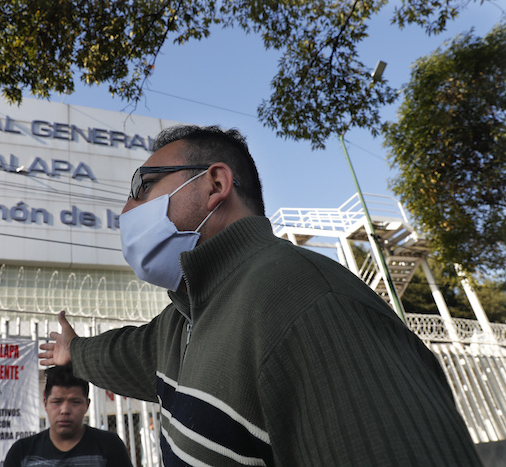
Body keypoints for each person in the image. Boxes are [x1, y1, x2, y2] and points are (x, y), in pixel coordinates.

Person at [39, 125, 482, 466]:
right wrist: (73, 351)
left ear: (215, 184)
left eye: (142, 186)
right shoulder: (183, 320)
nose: (126, 210)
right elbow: (124, 353)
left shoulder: (309, 302)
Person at [4, 365, 133, 467]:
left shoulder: (109, 446)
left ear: (87, 405)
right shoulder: (22, 452)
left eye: (75, 402)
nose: (65, 410)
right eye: (57, 402)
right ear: (45, 403)